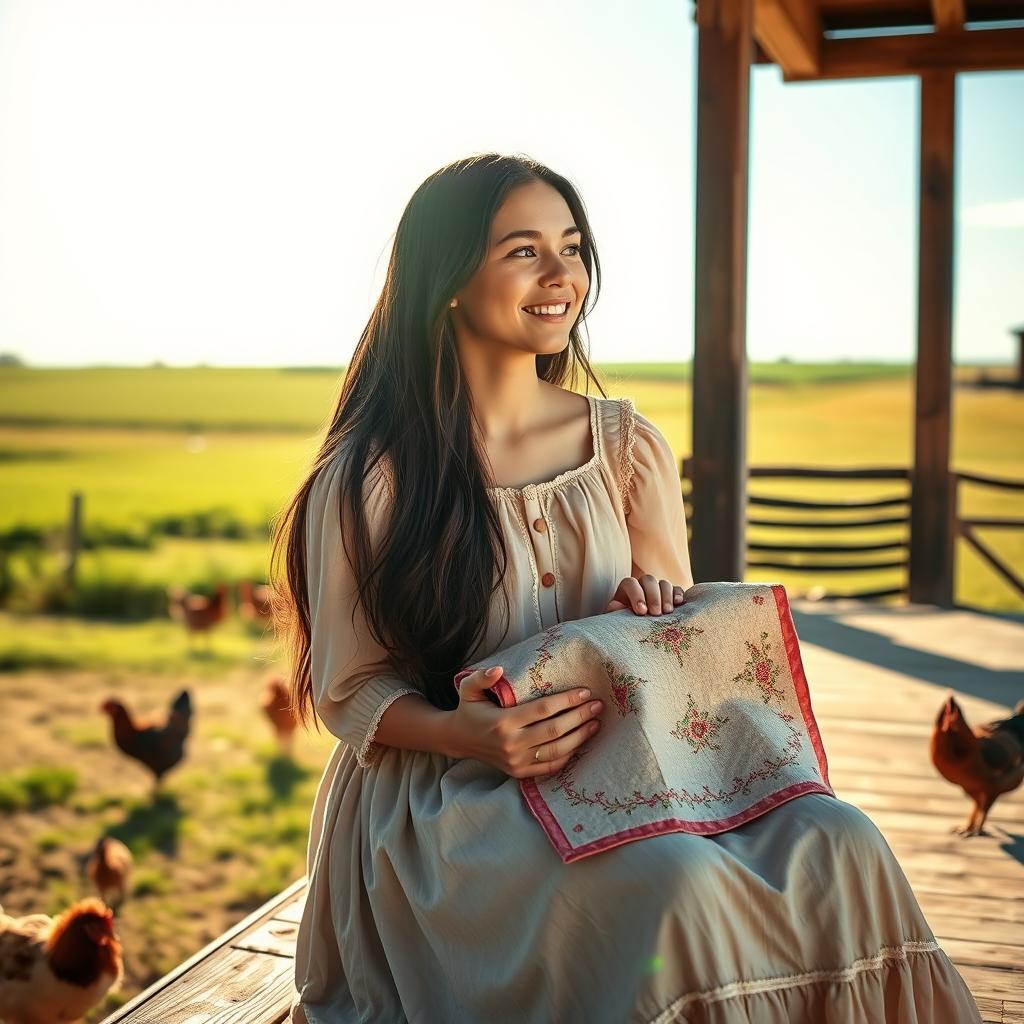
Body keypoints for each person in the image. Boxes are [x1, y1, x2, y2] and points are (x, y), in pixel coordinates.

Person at [272, 153, 982, 1023]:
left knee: (841, 841)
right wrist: (471, 735)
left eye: (570, 246)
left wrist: (650, 612)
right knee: (672, 884)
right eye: (523, 250)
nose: (561, 274)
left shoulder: (624, 446)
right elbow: (352, 691)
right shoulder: (372, 476)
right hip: (450, 794)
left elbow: (676, 642)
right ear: (448, 278)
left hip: (641, 761)